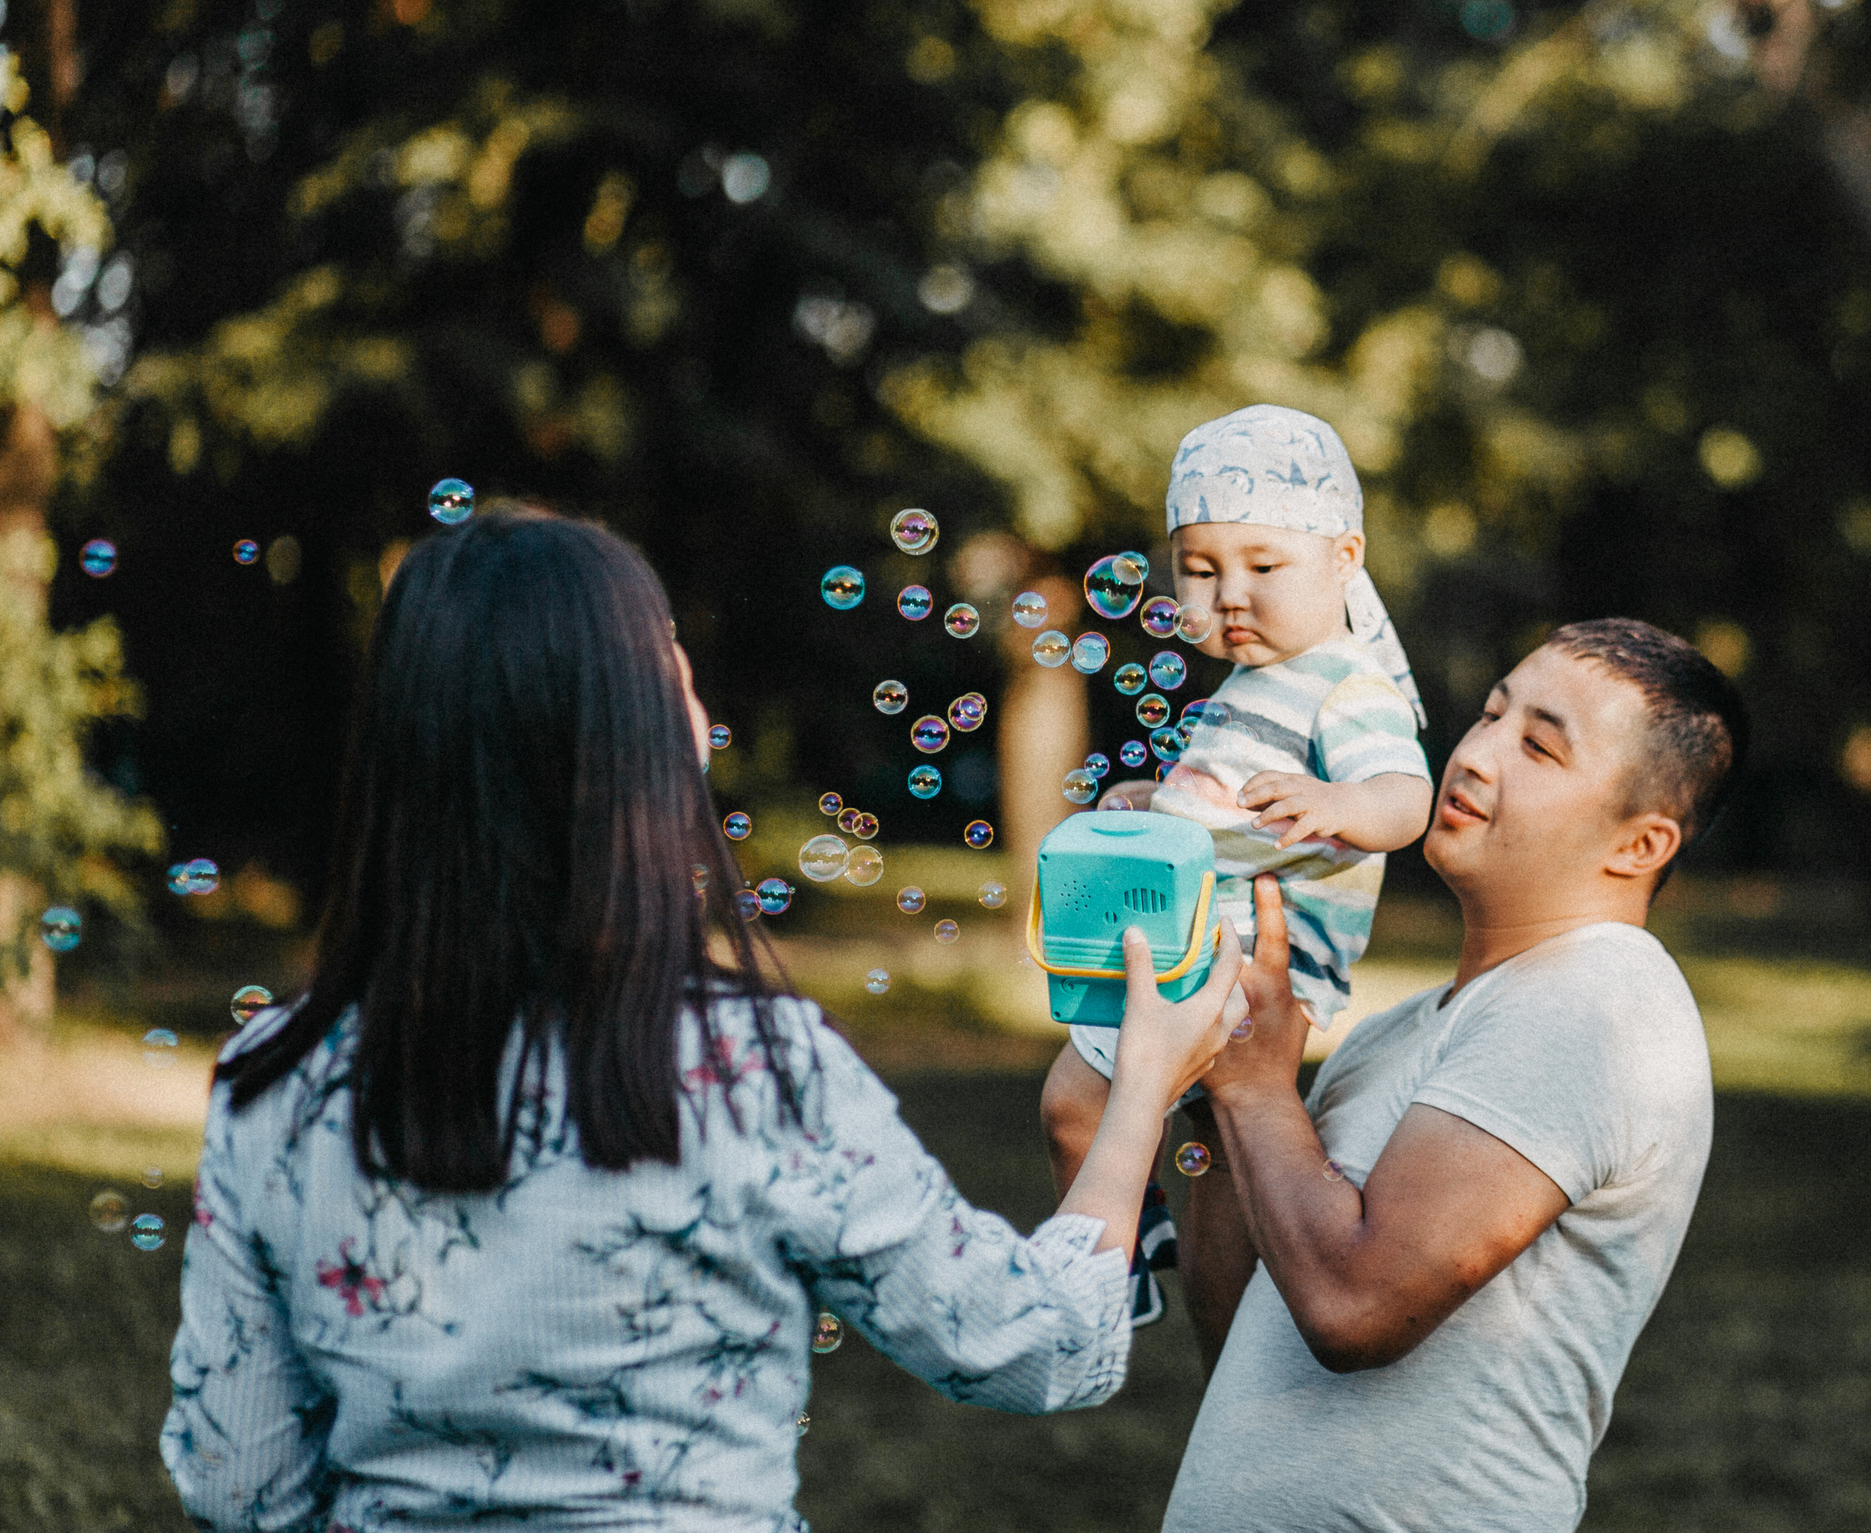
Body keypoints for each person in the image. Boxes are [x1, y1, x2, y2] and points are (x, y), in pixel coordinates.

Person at [160, 508, 1245, 1533]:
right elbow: (1029, 1344)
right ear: (627, 737)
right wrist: (1140, 1087)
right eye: (672, 668)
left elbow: (239, 1484)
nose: (703, 713)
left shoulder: (276, 1082)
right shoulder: (753, 1069)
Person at [1162, 618, 1749, 1532]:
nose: (1475, 757)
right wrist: (1214, 1086)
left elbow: (1353, 1308)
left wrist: (1258, 1089)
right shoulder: (1393, 1035)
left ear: (1639, 845)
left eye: (1539, 747)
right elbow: (1242, 1321)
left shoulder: (1599, 997)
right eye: (1488, 714)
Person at [1040, 405, 1433, 1323]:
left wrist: (1339, 805)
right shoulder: (1259, 682)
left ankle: (1109, 1265)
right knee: (1203, 1153)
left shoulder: (1349, 685)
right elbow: (1226, 807)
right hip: (1198, 947)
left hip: (1242, 964)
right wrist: (1160, 805)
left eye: (1265, 566)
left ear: (1344, 558)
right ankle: (1150, 1245)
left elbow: (1403, 799)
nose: (1232, 596)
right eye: (1202, 570)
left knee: (1071, 1106)